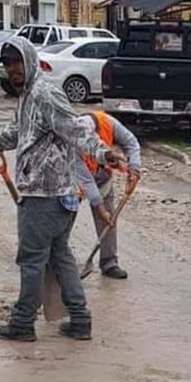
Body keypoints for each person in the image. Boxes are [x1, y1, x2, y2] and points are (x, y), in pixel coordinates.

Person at [0, 36, 122, 342]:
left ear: (29, 60)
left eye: (16, 62)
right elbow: (20, 129)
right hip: (59, 195)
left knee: (31, 259)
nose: (11, 69)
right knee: (60, 255)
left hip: (46, 195)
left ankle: (22, 322)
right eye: (7, 64)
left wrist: (101, 152)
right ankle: (80, 318)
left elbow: (76, 128)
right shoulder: (29, 95)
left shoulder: (44, 93)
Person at [77, 110, 141, 280]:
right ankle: (56, 260)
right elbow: (85, 180)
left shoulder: (107, 123)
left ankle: (109, 262)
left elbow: (131, 143)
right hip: (76, 180)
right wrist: (99, 205)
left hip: (102, 175)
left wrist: (134, 168)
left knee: (108, 219)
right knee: (63, 220)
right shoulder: (72, 135)